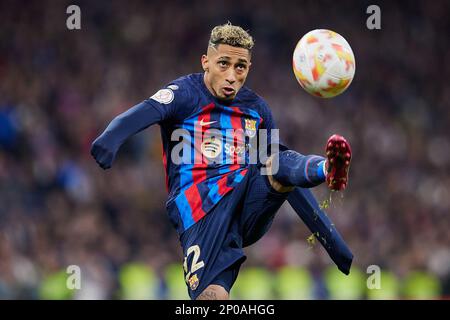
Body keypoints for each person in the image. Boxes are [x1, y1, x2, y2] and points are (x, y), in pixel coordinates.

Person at [91, 22, 353, 300]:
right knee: (211, 297)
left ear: (248, 68)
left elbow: (285, 172)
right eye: (223, 64)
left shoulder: (257, 109)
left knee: (274, 158)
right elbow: (145, 112)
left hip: (247, 200)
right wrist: (110, 138)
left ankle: (325, 168)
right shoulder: (184, 93)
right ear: (206, 61)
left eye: (240, 67)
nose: (231, 75)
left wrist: (331, 240)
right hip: (201, 212)